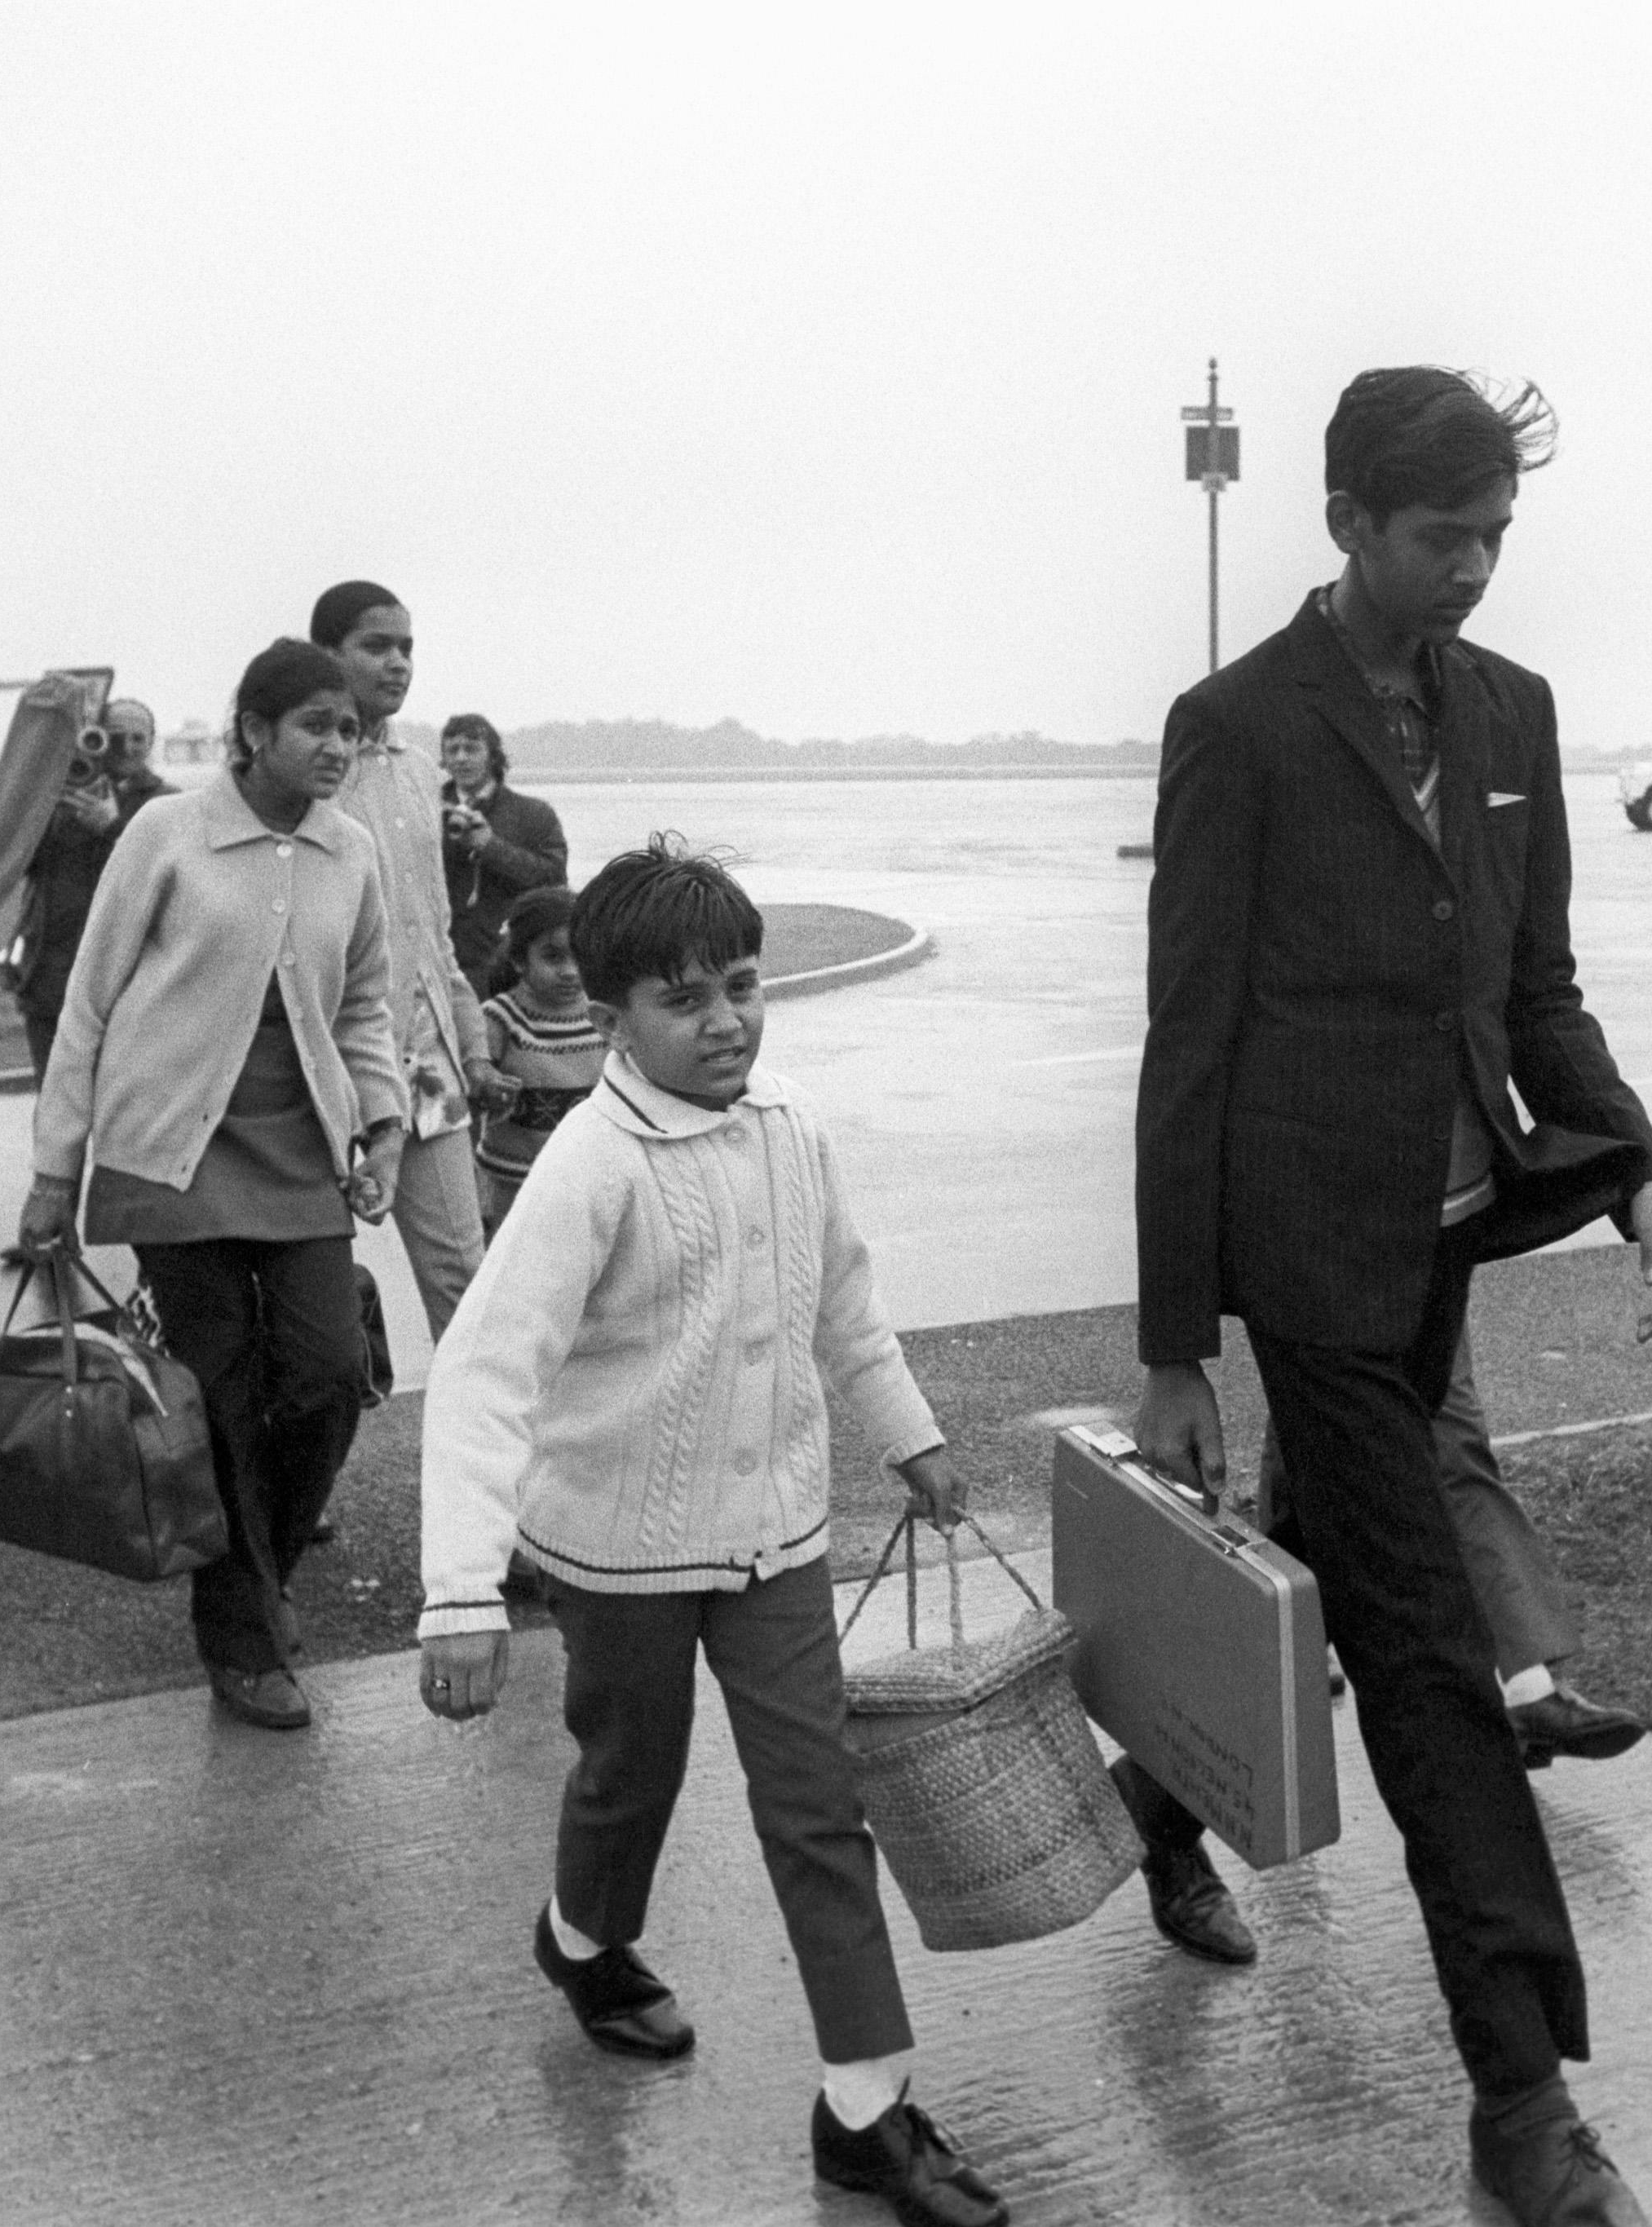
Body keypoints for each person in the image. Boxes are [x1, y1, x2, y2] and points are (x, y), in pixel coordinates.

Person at [1129, 368, 1652, 2227]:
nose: (1474, 569)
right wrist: (1174, 1343)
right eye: (1443, 536)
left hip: (1449, 1225)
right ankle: (1523, 2101)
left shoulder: (1514, 715)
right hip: (1305, 1248)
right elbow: (1188, 1042)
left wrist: (1632, 1165)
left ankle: (1160, 1787)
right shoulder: (1238, 730)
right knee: (1431, 1655)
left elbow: (1536, 985)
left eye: (1496, 539)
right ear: (1350, 523)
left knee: (1321, 1565)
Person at [415, 837, 1007, 2227]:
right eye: (686, 1000)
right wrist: (459, 1594)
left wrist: (907, 1434)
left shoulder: (792, 1127)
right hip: (617, 1549)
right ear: (610, 1016)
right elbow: (487, 1373)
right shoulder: (590, 1167)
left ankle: (866, 2103)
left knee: (821, 1810)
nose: (728, 1019)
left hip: (776, 1539)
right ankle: (583, 1940)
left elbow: (843, 1305)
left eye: (743, 985)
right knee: (632, 1775)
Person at [17, 639, 405, 1732]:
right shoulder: (166, 833)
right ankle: (241, 1635)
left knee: (329, 1374)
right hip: (168, 1154)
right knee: (222, 1396)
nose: (337, 746)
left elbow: (367, 1003)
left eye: (350, 729)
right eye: (314, 726)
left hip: (300, 1155)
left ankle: (258, 1569)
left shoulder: (350, 849)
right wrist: (56, 1167)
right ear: (254, 730)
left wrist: (381, 1124)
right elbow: (88, 1002)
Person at [1257, 1332, 1646, 1768]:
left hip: (1424, 1272)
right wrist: (1175, 1360)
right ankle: (1268, 1654)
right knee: (1313, 1450)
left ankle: (1527, 1689)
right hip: (1308, 1280)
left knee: (1448, 1444)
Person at [310, 581, 503, 1342]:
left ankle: (484, 1460)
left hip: (425, 1070)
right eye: (376, 646)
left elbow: (435, 938)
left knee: (469, 1287)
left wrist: (474, 1050)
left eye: (407, 647)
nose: (398, 663)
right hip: (318, 1067)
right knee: (311, 1309)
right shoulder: (307, 770)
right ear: (327, 654)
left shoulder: (423, 773)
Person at [5, 696, 173, 1080]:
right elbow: (16, 865)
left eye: (138, 738)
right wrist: (39, 799)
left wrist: (113, 828)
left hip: (126, 985)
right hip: (51, 979)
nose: (128, 748)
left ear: (151, 741)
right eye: (116, 738)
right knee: (53, 1106)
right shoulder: (60, 792)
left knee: (121, 1110)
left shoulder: (167, 802)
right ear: (96, 739)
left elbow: (170, 882)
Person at [471, 882, 607, 1235]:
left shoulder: (603, 1016)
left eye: (580, 955)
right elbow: (473, 1077)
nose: (570, 971)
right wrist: (486, 1085)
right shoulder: (501, 1018)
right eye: (553, 957)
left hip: (586, 1181)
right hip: (513, 1187)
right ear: (519, 960)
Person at [440, 712, 569, 979]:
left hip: (508, 964)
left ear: (493, 756)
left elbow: (554, 883)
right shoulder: (424, 810)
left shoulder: (535, 814)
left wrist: (490, 846)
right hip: (441, 961)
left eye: (472, 749)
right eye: (452, 750)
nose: (461, 758)